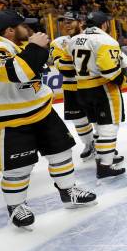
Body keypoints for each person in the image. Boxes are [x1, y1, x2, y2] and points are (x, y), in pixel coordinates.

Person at [0, 9, 96, 230]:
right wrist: (35, 46)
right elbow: (17, 74)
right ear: (10, 30)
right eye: (24, 25)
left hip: (42, 111)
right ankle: (15, 207)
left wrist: (33, 48)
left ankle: (68, 191)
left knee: (60, 152)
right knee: (18, 167)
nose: (30, 28)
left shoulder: (18, 46)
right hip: (13, 121)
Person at [67, 11, 127, 180]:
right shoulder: (105, 40)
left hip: (82, 88)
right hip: (102, 88)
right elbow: (109, 70)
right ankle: (105, 165)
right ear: (104, 24)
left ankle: (104, 154)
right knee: (109, 126)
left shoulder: (74, 39)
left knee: (98, 124)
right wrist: (120, 78)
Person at [50, 11, 95, 160]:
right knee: (79, 120)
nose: (66, 25)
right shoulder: (57, 43)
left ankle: (104, 146)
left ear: (80, 22)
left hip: (92, 85)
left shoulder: (92, 38)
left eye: (70, 21)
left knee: (99, 118)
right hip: (71, 88)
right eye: (64, 22)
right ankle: (89, 144)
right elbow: (64, 69)